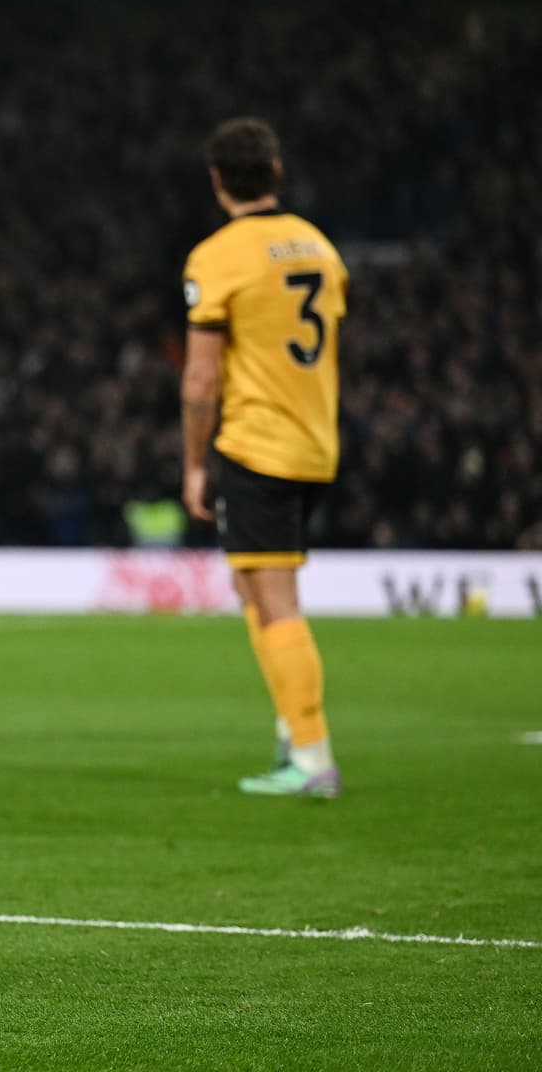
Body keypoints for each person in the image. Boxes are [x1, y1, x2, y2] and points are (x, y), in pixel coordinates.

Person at [181, 117, 347, 798]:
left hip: (258, 445)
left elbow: (200, 381)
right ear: (275, 171)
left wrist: (194, 463)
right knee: (257, 588)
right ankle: (291, 730)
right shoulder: (319, 246)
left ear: (218, 183)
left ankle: (311, 756)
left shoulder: (218, 256)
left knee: (274, 602)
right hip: (315, 439)